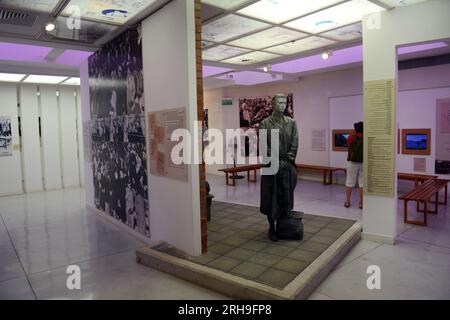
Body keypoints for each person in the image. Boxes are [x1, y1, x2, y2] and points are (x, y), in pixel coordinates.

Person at [260, 93, 299, 242]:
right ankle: (272, 227)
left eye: (284, 102)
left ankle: (284, 225)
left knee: (286, 196)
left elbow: (295, 143)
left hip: (287, 165)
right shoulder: (265, 123)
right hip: (271, 166)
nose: (282, 105)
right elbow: (264, 145)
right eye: (279, 102)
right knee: (271, 197)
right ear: (273, 104)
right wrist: (276, 160)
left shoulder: (291, 122)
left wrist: (288, 159)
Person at [345, 121, 364, 209]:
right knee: (362, 183)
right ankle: (361, 203)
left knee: (349, 181)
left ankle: (347, 201)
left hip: (351, 163)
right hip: (363, 162)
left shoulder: (350, 137)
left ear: (355, 129)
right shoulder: (366, 138)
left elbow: (348, 147)